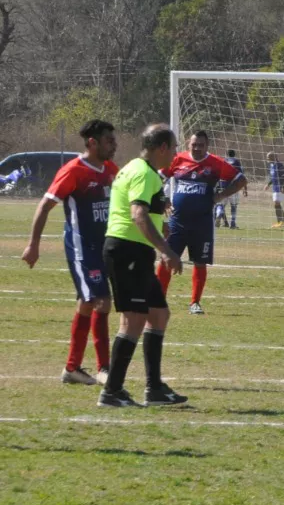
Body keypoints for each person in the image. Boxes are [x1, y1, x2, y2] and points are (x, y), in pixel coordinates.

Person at [21, 120, 119, 386]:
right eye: (109, 140)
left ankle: (72, 369)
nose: (114, 145)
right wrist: (34, 244)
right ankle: (105, 369)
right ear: (92, 143)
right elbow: (45, 206)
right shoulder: (74, 171)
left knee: (87, 304)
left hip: (104, 247)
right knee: (102, 301)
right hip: (81, 248)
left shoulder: (111, 169)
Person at [98, 124, 188, 408]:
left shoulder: (137, 169)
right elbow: (138, 214)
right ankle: (111, 392)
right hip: (127, 251)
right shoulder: (144, 173)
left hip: (135, 250)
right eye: (173, 147)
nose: (175, 153)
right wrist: (167, 251)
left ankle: (154, 389)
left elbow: (143, 212)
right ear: (162, 147)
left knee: (158, 314)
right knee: (133, 320)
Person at [157, 131, 247, 315]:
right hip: (177, 222)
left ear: (207, 146)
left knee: (200, 262)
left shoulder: (215, 163)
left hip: (202, 223)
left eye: (201, 145)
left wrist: (220, 196)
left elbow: (241, 180)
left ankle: (195, 303)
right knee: (166, 259)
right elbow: (156, 178)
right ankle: (158, 300)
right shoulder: (177, 159)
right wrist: (163, 199)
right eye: (194, 144)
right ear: (188, 144)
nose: (197, 148)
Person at [213, 149, 245, 229]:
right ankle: (233, 223)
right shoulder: (237, 162)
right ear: (234, 154)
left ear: (226, 154)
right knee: (233, 206)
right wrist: (245, 188)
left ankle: (219, 214)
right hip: (233, 187)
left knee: (220, 205)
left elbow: (217, 174)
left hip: (223, 186)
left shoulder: (223, 161)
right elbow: (241, 175)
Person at [265, 151, 284, 228]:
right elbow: (273, 177)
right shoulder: (272, 165)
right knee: (276, 204)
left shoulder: (279, 165)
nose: (268, 159)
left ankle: (281, 222)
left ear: (274, 157)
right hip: (275, 188)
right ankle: (282, 222)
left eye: (269, 158)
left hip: (280, 187)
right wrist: (268, 184)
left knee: (277, 203)